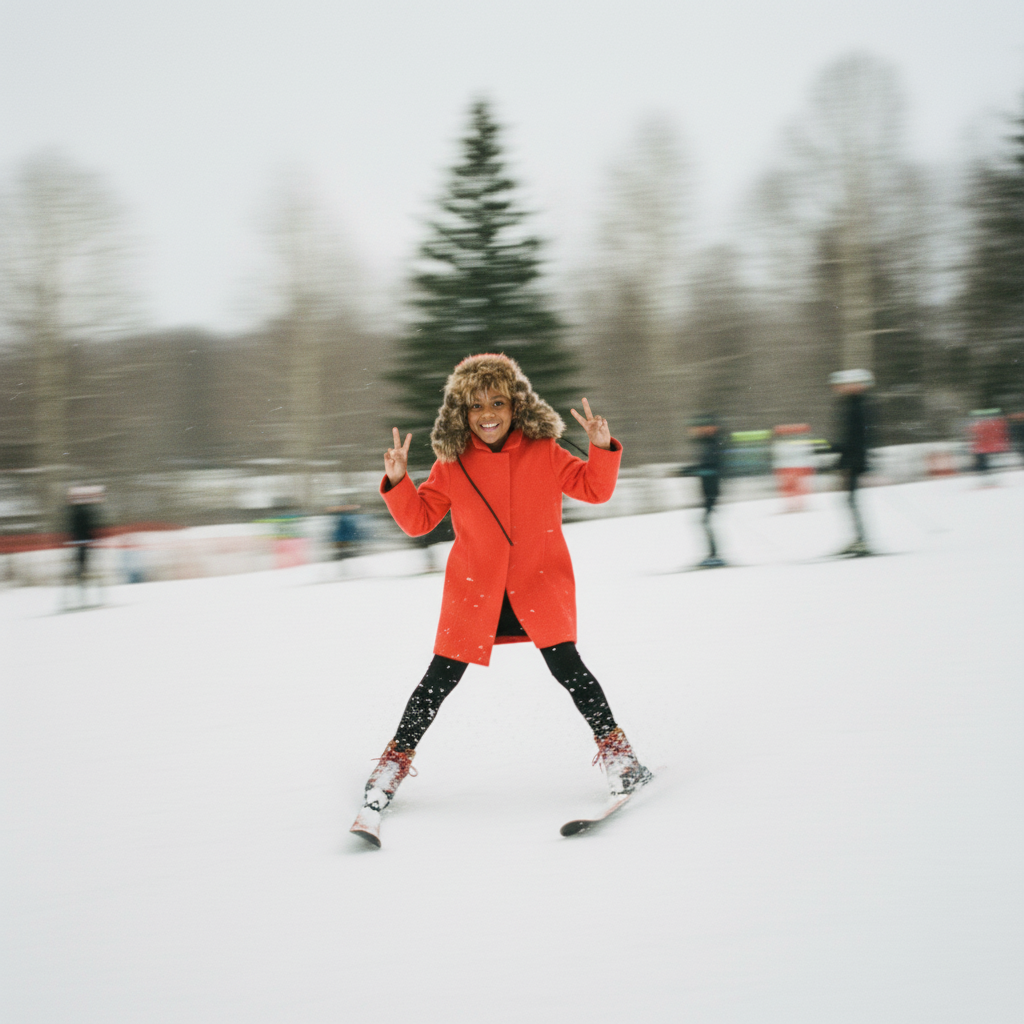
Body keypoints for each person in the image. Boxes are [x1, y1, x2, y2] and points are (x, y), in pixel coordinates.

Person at [351, 353, 652, 843]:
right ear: (461, 413)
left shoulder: (546, 450)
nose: (487, 413)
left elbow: (594, 490)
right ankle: (390, 768)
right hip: (477, 589)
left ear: (515, 405)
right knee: (438, 680)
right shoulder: (452, 464)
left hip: (536, 580)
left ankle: (622, 759)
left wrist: (601, 448)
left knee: (569, 669)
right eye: (475, 406)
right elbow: (418, 521)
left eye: (496, 402)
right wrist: (400, 479)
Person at [828, 368, 875, 556]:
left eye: (842, 385)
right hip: (851, 459)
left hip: (854, 460)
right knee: (849, 500)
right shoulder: (851, 404)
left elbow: (856, 438)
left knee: (851, 500)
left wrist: (836, 449)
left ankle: (861, 540)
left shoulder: (858, 405)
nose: (838, 389)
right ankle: (859, 539)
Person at [678, 416, 726, 567]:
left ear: (712, 427)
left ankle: (714, 556)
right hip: (708, 488)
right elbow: (704, 466)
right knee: (705, 521)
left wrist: (691, 471)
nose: (697, 432)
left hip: (713, 488)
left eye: (702, 428)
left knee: (705, 521)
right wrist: (689, 470)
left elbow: (712, 468)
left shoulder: (715, 444)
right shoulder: (708, 443)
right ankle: (713, 555)